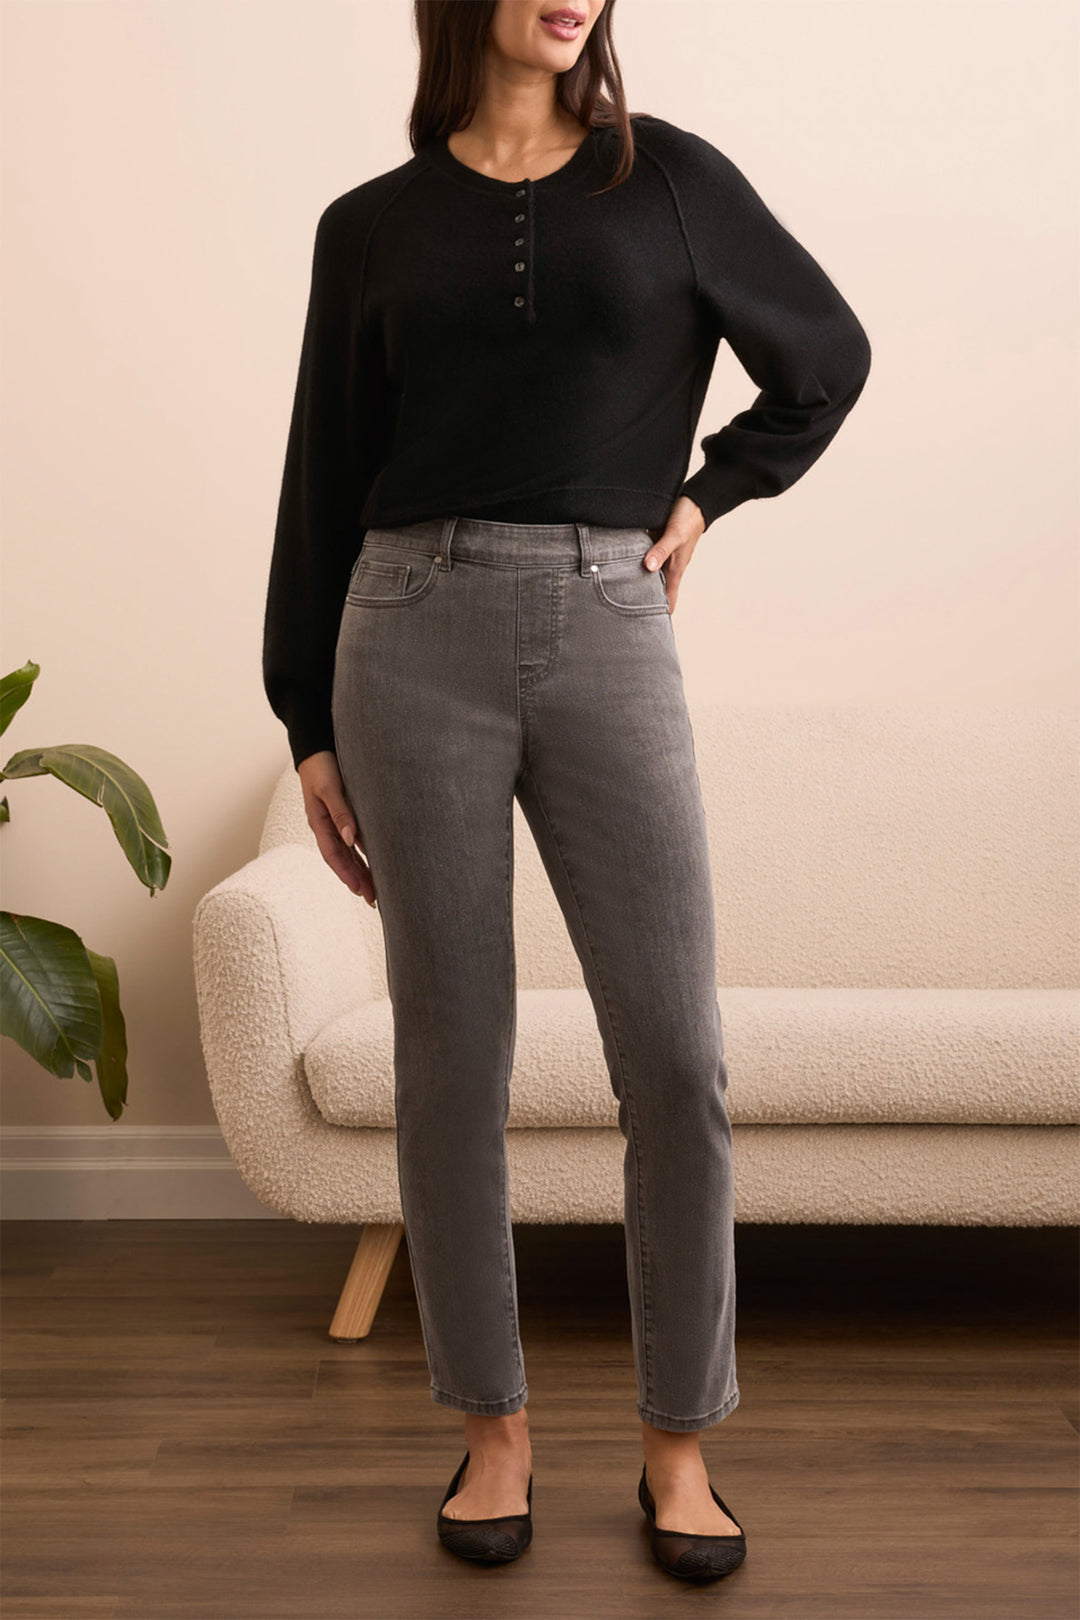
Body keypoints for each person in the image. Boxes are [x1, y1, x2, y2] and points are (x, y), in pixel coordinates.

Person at [262, 0, 871, 1581]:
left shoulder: (666, 179)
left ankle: (681, 1447)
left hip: (611, 620)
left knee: (675, 1056)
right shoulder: (370, 227)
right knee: (453, 1057)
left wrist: (710, 493)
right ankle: (492, 1435)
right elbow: (322, 471)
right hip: (404, 635)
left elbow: (828, 356)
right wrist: (302, 720)